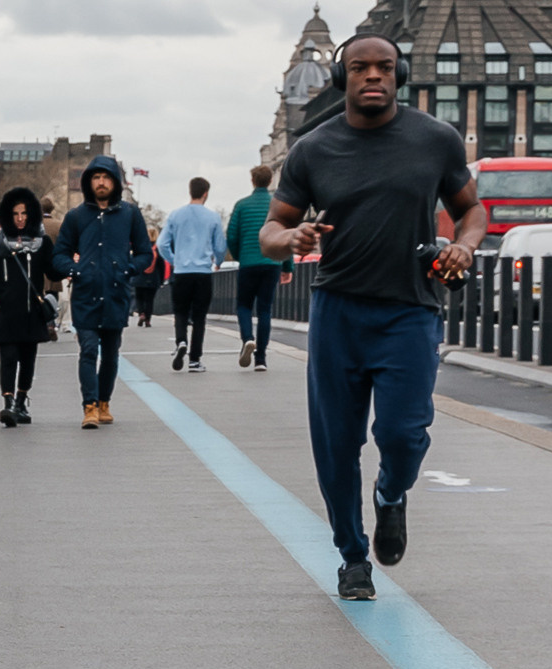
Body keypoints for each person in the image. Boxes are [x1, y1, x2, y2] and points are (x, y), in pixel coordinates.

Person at [262, 32, 485, 602]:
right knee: (336, 446)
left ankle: (391, 495)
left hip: (410, 311)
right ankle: (353, 558)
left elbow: (472, 211)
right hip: (338, 313)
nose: (372, 77)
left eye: (384, 67)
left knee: (404, 435)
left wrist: (465, 245)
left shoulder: (435, 140)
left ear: (399, 73)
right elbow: (269, 234)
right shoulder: (313, 148)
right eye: (359, 68)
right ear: (344, 78)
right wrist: (292, 235)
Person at [52, 152, 149, 427]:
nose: (101, 182)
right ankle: (89, 407)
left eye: (106, 177)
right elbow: (60, 255)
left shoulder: (130, 215)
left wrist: (128, 269)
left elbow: (145, 254)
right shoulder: (76, 217)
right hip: (85, 295)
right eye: (96, 177)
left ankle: (104, 402)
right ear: (88, 182)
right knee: (88, 350)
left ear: (115, 182)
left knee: (110, 353)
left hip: (116, 294)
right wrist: (75, 270)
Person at [0, 183, 55, 425]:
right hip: (7, 312)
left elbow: (53, 272)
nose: (20, 218)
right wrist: (2, 296)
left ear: (31, 213)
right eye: (15, 214)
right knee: (8, 358)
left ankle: (21, 402)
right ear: (7, 215)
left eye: (24, 213)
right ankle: (8, 404)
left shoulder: (41, 242)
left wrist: (73, 266)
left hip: (32, 312)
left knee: (28, 359)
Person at [160, 176, 225, 371]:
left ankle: (181, 341)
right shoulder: (213, 217)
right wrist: (218, 262)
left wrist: (175, 260)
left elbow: (162, 244)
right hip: (203, 272)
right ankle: (195, 360)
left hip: (181, 272)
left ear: (190, 191)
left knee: (180, 312)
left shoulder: (175, 215)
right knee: (199, 317)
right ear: (206, 193)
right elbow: (220, 246)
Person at [225, 160, 281, 368]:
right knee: (265, 308)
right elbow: (286, 234)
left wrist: (241, 255)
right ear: (270, 181)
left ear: (252, 181)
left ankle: (248, 338)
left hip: (248, 262)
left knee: (244, 305)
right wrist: (287, 266)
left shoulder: (241, 205)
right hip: (272, 261)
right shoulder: (277, 204)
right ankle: (261, 358)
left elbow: (231, 236)